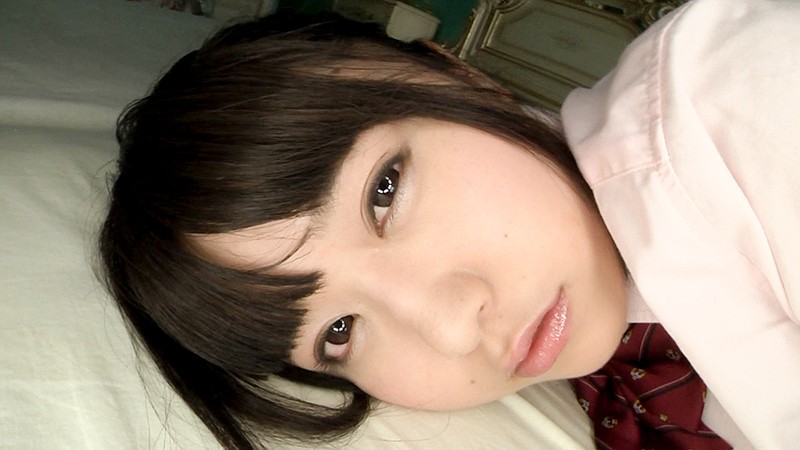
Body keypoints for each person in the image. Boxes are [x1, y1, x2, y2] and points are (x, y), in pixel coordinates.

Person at [98, 0, 800, 448]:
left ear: (458, 75)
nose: (451, 328)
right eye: (337, 332)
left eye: (384, 191)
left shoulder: (732, 89)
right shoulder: (613, 376)